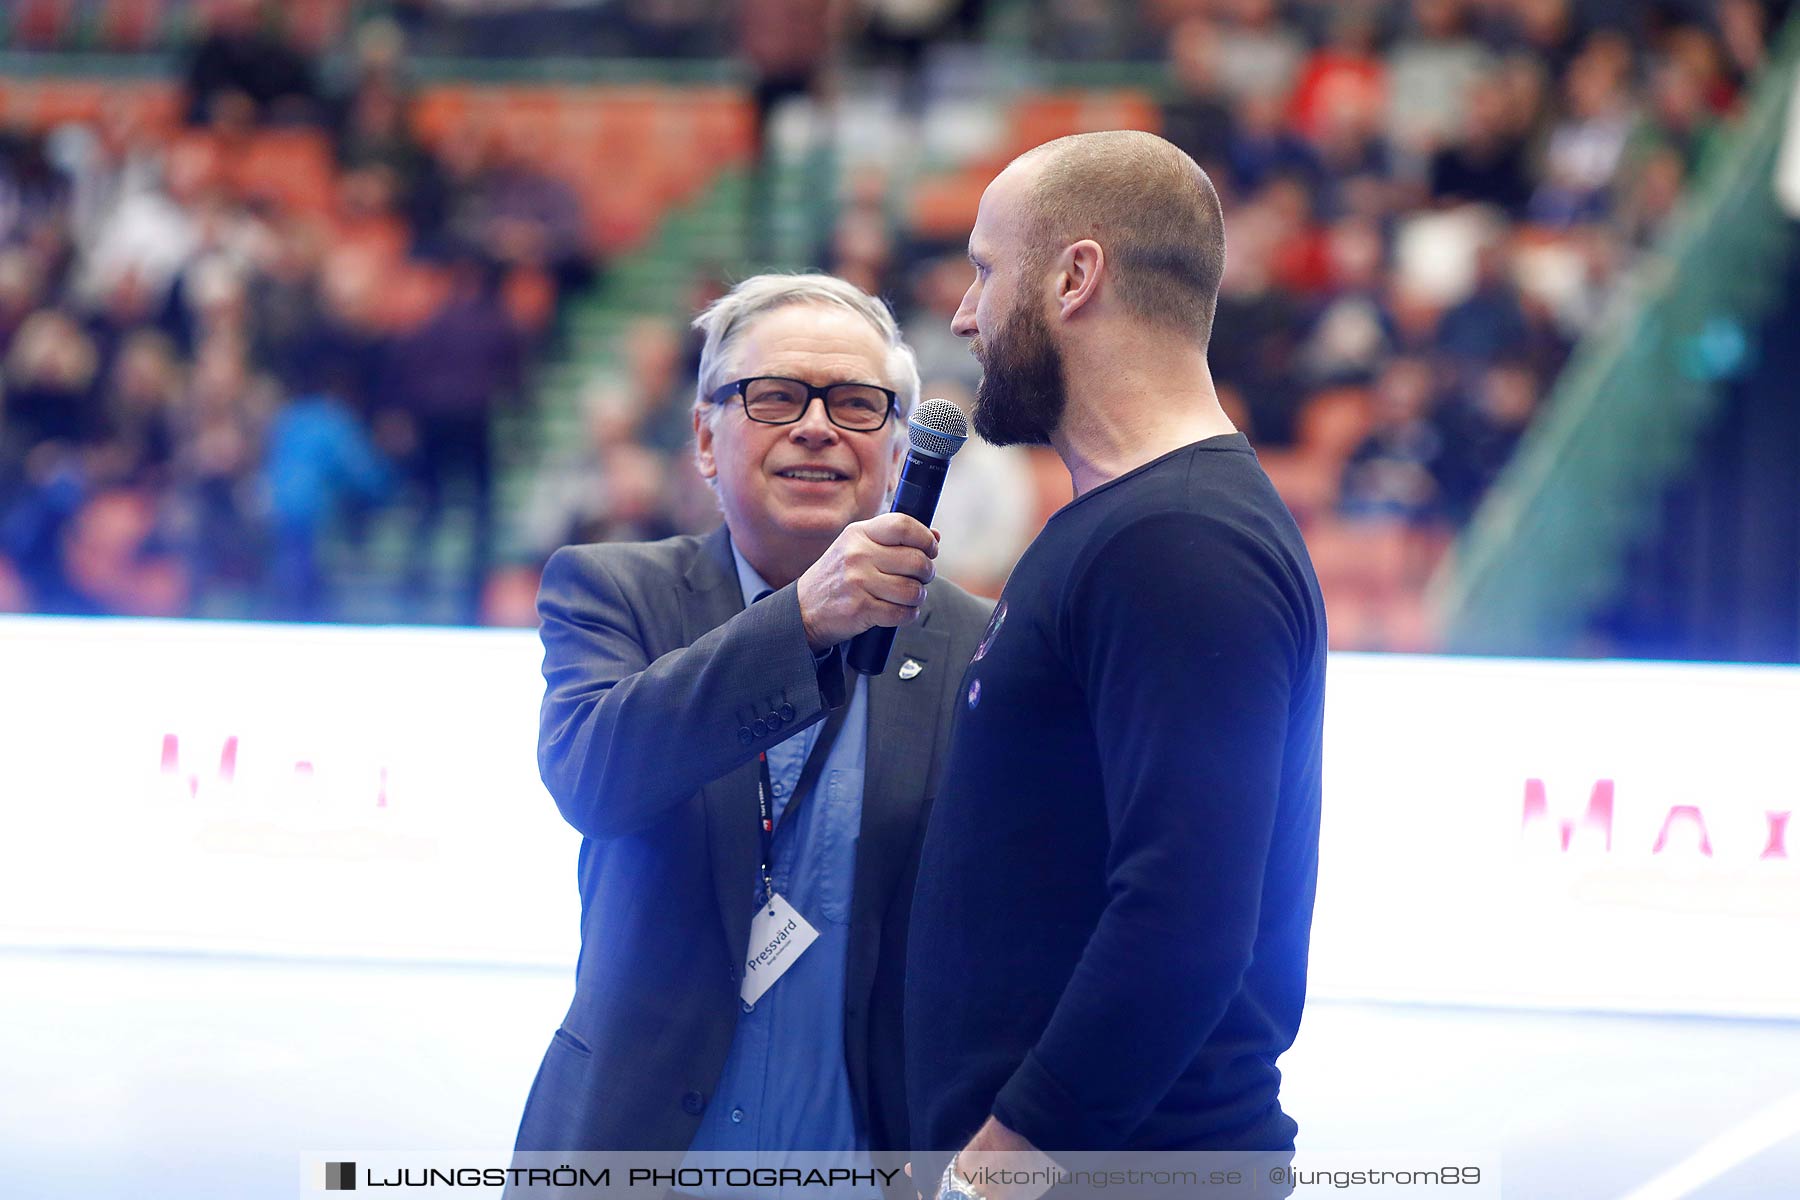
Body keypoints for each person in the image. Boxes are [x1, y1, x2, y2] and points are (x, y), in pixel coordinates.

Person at [905, 131, 1328, 1199]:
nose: (964, 313)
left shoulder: (1179, 542)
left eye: (987, 270)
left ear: (1075, 274)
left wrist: (1000, 1167)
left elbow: (1183, 919)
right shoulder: (1134, 523)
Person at [512, 274, 992, 1190]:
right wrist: (803, 621)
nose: (817, 426)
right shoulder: (612, 592)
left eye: (856, 403)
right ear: (702, 436)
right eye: (774, 397)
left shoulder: (973, 644)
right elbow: (593, 781)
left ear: (897, 449)